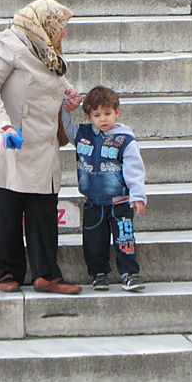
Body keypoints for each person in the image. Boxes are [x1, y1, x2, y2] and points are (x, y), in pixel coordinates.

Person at [0, 0, 83, 295]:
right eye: (61, 28)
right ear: (44, 26)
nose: (64, 34)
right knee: (6, 201)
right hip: (9, 136)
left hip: (40, 138)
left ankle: (46, 275)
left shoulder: (45, 49)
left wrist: (69, 93)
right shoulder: (6, 45)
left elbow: (54, 76)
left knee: (43, 204)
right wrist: (3, 126)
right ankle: (5, 271)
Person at [61, 85, 147, 292]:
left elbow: (134, 169)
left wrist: (138, 195)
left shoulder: (125, 140)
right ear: (88, 115)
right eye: (97, 114)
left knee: (124, 239)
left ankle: (129, 274)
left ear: (117, 111)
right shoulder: (82, 134)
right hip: (93, 202)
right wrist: (65, 109)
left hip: (120, 202)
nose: (103, 119)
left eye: (108, 113)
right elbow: (66, 127)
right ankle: (98, 274)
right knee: (93, 241)